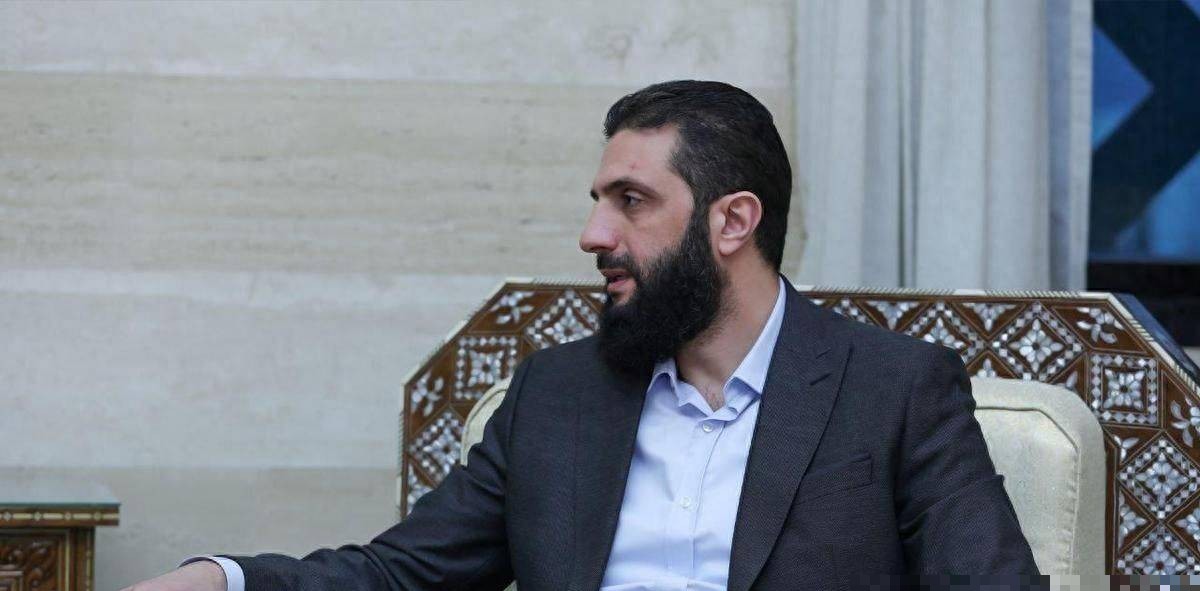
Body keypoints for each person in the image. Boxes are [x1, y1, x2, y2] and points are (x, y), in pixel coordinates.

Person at [125, 80, 1038, 591]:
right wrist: (220, 580)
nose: (593, 234)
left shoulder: (894, 388)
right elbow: (400, 576)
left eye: (630, 201)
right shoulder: (558, 396)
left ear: (733, 221)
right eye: (599, 200)